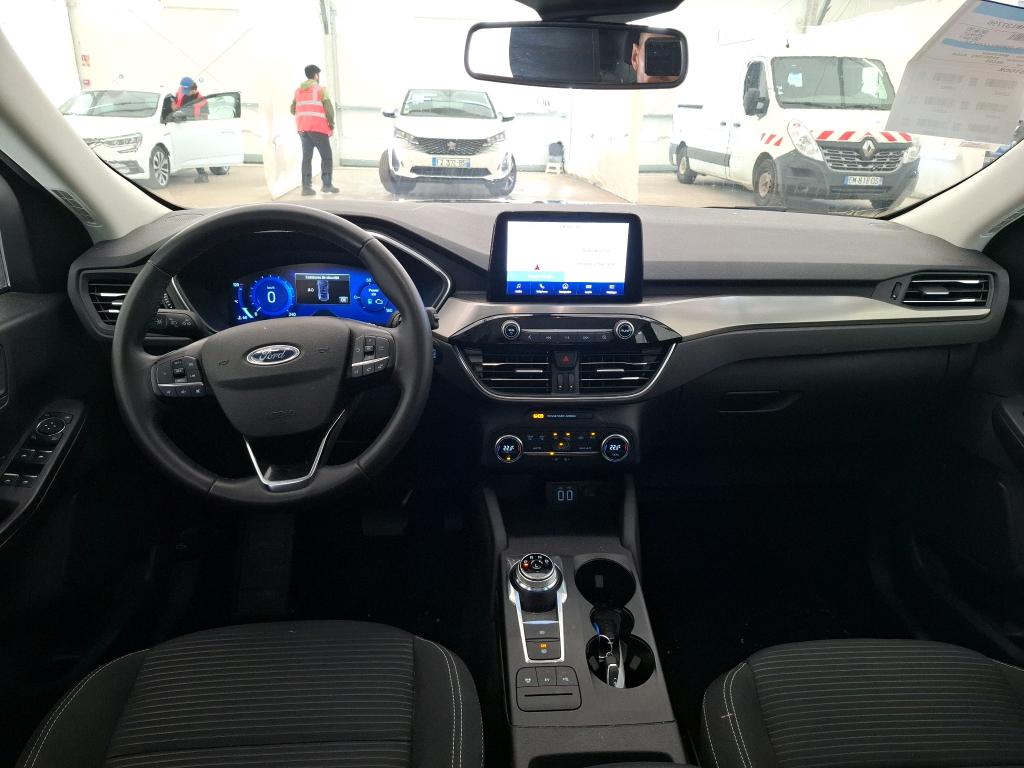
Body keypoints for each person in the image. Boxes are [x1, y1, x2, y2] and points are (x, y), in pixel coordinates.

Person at [291, 64, 338, 195]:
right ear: (316, 75)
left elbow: (292, 110)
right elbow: (329, 110)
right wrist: (331, 125)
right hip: (318, 128)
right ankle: (327, 185)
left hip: (302, 129)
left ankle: (306, 187)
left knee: (306, 158)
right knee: (326, 156)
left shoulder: (297, 91)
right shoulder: (320, 90)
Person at [171, 76, 211, 183]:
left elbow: (205, 118)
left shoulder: (203, 101)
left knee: (195, 151)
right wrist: (173, 106)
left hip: (193, 129)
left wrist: (190, 120)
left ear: (193, 89)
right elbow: (174, 103)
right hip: (178, 126)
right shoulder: (180, 92)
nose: (184, 92)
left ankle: (203, 175)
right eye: (183, 89)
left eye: (187, 90)